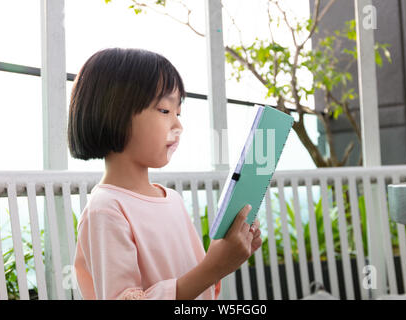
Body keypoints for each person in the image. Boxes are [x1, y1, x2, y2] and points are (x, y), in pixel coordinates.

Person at [68, 47, 262, 300]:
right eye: (165, 111)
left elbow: (197, 281)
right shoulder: (106, 210)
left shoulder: (172, 200)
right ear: (114, 112)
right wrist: (213, 267)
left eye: (178, 113)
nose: (178, 125)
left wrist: (224, 256)